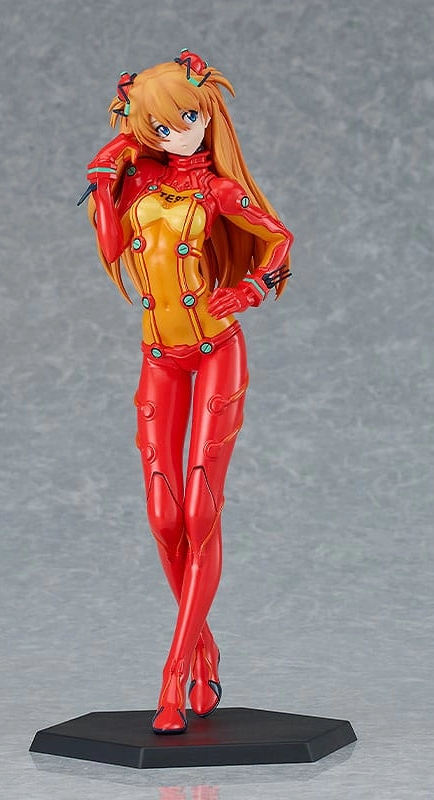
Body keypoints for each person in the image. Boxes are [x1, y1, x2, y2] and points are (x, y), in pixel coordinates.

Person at [82, 50, 293, 734]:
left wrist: (250, 289)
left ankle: (174, 676)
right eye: (160, 125)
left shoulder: (219, 194)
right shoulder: (139, 184)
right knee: (163, 514)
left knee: (201, 507)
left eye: (188, 119)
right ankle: (204, 648)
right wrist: (103, 177)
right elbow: (111, 248)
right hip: (160, 357)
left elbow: (280, 240)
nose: (177, 133)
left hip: (215, 350)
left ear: (208, 115)